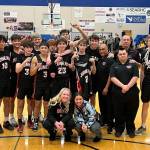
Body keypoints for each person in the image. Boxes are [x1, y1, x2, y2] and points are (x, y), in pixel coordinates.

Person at [110, 49, 139, 138]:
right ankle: (119, 130)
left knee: (131, 113)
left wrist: (127, 87)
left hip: (132, 94)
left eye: (124, 54)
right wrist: (123, 86)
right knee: (119, 113)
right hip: (118, 94)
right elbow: (112, 78)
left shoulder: (133, 65)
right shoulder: (114, 66)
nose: (122, 55)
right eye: (120, 54)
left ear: (127, 55)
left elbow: (135, 77)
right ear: (118, 56)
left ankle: (130, 130)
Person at [16, 40, 34, 132]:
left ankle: (30, 120)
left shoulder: (35, 57)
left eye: (30, 47)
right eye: (27, 47)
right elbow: (17, 70)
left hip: (31, 85)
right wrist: (25, 61)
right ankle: (19, 122)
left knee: (30, 103)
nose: (29, 49)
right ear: (24, 48)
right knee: (20, 104)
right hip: (22, 85)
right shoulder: (20, 57)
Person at [96, 43, 115, 132]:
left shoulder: (110, 60)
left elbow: (111, 75)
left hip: (108, 88)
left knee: (109, 106)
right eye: (100, 49)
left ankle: (110, 124)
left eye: (103, 49)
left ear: (107, 49)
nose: (101, 51)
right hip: (100, 87)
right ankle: (104, 121)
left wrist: (106, 87)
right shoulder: (99, 60)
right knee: (102, 105)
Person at [135, 35, 150, 135]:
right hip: (147, 80)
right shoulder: (144, 52)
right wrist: (141, 81)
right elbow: (142, 69)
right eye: (149, 40)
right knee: (145, 102)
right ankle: (143, 125)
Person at [0, 35, 14, 133]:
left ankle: (6, 121)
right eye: (0, 41)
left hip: (7, 80)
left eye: (3, 41)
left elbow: (18, 46)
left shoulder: (8, 51)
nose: (1, 43)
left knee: (7, 101)